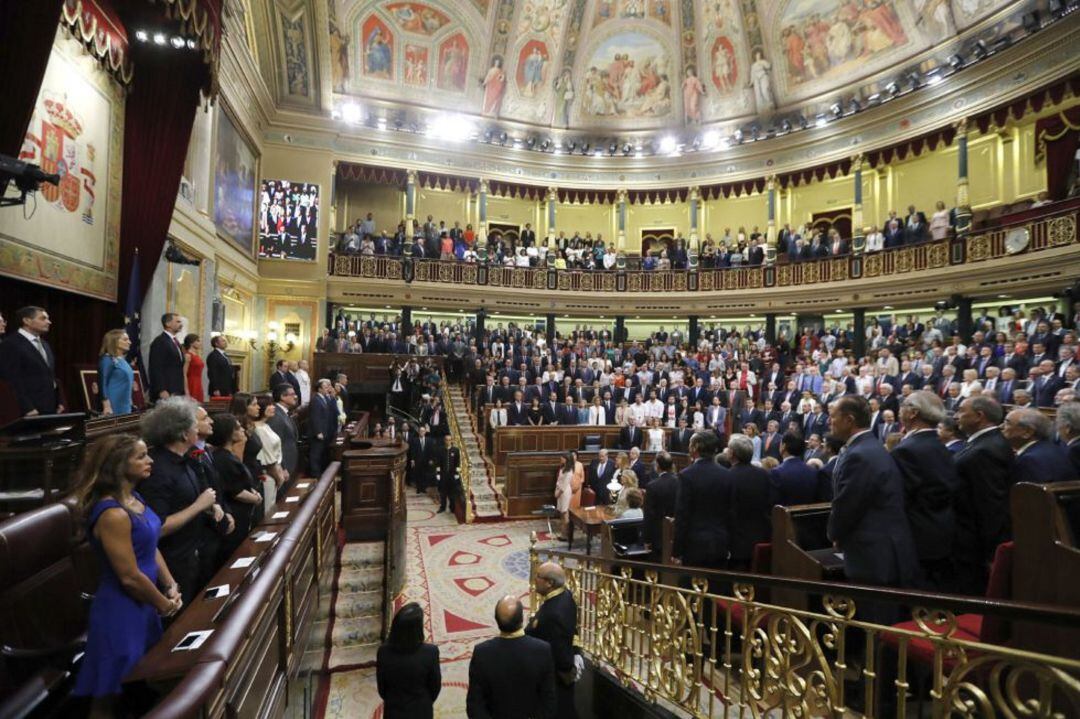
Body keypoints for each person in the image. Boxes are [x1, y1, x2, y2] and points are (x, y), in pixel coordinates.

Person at [70, 435, 182, 711]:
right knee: (108, 697)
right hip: (121, 611)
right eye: (141, 456)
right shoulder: (112, 514)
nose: (150, 460)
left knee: (140, 688)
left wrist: (170, 583)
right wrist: (164, 604)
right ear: (119, 465)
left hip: (145, 603)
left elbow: (150, 544)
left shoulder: (135, 499)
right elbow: (129, 577)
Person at [826, 396, 920, 593]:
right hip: (882, 551)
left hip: (874, 556)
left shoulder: (859, 455)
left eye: (832, 416)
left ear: (849, 420)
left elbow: (849, 504)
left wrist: (835, 534)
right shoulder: (869, 446)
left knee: (876, 616)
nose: (829, 421)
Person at [139, 397, 219, 605]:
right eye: (194, 425)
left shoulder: (186, 460)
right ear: (184, 433)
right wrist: (199, 506)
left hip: (194, 555)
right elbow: (158, 527)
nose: (198, 430)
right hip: (173, 565)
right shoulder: (158, 470)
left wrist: (209, 508)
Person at [892, 391, 959, 590]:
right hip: (943, 530)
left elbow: (902, 497)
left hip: (917, 537)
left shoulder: (906, 449)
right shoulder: (939, 444)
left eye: (903, 405)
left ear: (912, 413)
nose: (899, 410)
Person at [952, 396, 1015, 595]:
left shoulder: (986, 449)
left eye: (962, 411)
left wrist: (992, 554)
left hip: (973, 546)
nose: (956, 416)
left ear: (979, 416)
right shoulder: (982, 443)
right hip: (968, 539)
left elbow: (990, 505)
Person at [466, 596, 556, 719]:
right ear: (522, 619)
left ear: (496, 620)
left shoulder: (482, 652)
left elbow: (475, 704)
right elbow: (548, 699)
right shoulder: (542, 650)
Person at [672, 431, 734, 569]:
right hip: (720, 542)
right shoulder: (726, 475)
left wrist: (676, 551)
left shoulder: (686, 475)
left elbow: (682, 515)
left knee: (693, 587)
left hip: (694, 545)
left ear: (695, 447)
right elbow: (731, 512)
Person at [527, 562, 580, 719]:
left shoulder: (553, 614)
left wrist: (567, 669)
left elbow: (560, 655)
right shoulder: (565, 595)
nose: (534, 579)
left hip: (553, 678)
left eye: (538, 576)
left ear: (550, 583)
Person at [209, 413, 262, 559]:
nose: (243, 431)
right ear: (228, 433)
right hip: (236, 515)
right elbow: (235, 491)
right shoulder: (223, 459)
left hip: (243, 514)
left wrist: (253, 492)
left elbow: (241, 481)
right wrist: (256, 499)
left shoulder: (227, 455)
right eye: (238, 428)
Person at [376, 602, 441, 719]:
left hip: (393, 710)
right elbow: (435, 687)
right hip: (422, 710)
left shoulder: (383, 652)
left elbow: (382, 688)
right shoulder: (430, 652)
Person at [0, 305, 63, 415]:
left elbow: (50, 375)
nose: (49, 322)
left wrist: (59, 401)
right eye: (43, 318)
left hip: (50, 408)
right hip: (29, 411)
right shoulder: (10, 344)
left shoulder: (45, 344)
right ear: (26, 321)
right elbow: (12, 380)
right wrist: (27, 407)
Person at [726, 434, 772, 570]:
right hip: (762, 536)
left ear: (732, 453)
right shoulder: (764, 474)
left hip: (736, 542)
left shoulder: (728, 476)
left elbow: (728, 510)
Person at [1002, 407, 1078, 484]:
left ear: (1027, 432)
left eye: (1007, 423)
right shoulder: (1054, 448)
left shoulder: (1030, 460)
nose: (1001, 427)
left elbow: (1029, 494)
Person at [643, 452, 679, 557]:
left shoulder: (652, 486)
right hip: (676, 533)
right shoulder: (681, 482)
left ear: (657, 466)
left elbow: (649, 515)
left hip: (658, 536)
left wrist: (647, 539)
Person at [148, 313, 186, 400]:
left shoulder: (175, 342)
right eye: (178, 321)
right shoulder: (160, 341)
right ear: (168, 324)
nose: (181, 324)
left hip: (176, 389)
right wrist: (161, 389)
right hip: (166, 391)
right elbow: (156, 367)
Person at [98, 329, 135, 415]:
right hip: (113, 405)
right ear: (114, 341)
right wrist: (106, 406)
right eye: (125, 340)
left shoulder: (123, 360)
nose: (130, 342)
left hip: (125, 405)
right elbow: (103, 383)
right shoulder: (107, 359)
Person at [267, 383, 300, 480]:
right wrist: (283, 467)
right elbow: (275, 445)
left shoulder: (283, 413)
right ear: (282, 396)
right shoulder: (276, 416)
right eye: (292, 394)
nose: (295, 397)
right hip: (284, 465)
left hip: (290, 461)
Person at [309, 379, 338, 477]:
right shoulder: (316, 400)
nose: (328, 389)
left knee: (322, 454)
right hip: (319, 433)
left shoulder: (323, 398)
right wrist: (318, 432)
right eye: (325, 388)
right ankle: (315, 476)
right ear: (319, 389)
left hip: (325, 431)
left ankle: (321, 474)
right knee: (316, 455)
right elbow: (315, 417)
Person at [554, 452, 575, 541]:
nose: (560, 459)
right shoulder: (563, 468)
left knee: (565, 512)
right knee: (562, 514)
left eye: (562, 457)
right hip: (560, 491)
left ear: (566, 459)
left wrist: (558, 493)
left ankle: (566, 535)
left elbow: (565, 484)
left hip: (564, 492)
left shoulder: (569, 471)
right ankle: (563, 533)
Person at [183, 334, 205, 401]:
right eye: (198, 341)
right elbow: (184, 374)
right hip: (191, 383)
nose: (200, 343)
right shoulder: (188, 355)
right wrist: (186, 391)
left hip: (198, 383)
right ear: (191, 342)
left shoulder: (196, 355)